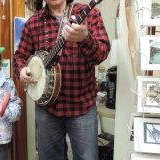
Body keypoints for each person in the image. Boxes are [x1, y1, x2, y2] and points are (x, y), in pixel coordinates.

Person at [13, 0, 110, 159]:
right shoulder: (33, 22)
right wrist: (22, 69)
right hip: (47, 109)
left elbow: (102, 54)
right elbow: (20, 56)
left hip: (82, 107)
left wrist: (85, 38)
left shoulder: (88, 13)